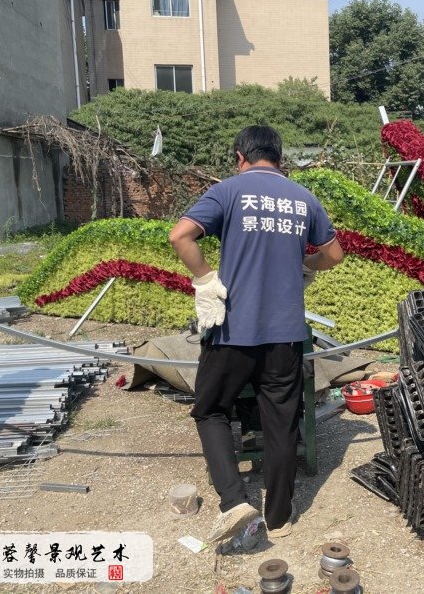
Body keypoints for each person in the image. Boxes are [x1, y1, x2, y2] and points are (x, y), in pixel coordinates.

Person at [169, 126, 344, 542]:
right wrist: (306, 267)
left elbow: (180, 236)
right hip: (284, 335)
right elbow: (334, 254)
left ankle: (233, 502)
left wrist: (205, 279)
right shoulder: (304, 198)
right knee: (280, 423)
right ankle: (279, 516)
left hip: (232, 331)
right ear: (280, 159)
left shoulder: (229, 191)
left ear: (240, 157)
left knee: (210, 410)